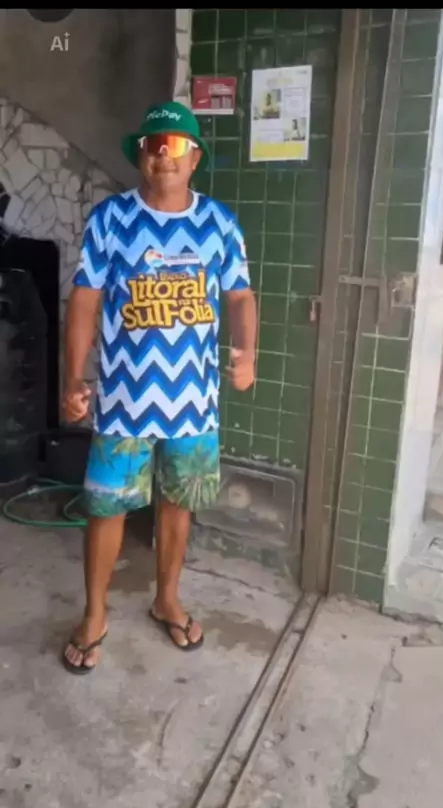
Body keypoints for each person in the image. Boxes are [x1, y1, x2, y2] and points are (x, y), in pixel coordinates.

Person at [61, 101, 257, 674]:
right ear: (141, 157)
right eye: (152, 145)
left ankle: (166, 599)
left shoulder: (219, 222)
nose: (162, 156)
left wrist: (247, 351)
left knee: (178, 504)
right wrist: (74, 376)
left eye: (174, 146)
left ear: (195, 158)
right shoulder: (111, 220)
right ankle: (95, 614)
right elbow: (85, 301)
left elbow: (240, 295)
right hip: (123, 400)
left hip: (193, 402)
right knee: (106, 507)